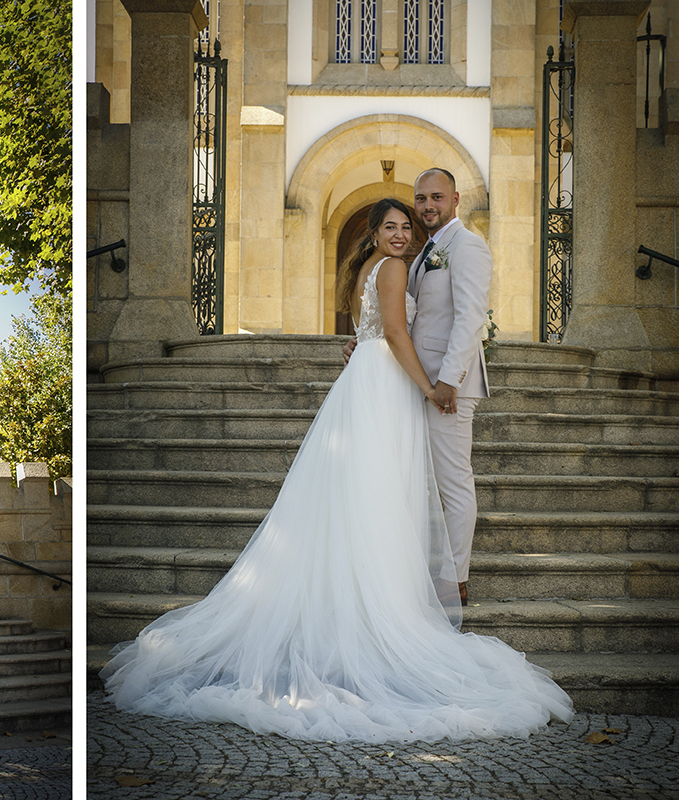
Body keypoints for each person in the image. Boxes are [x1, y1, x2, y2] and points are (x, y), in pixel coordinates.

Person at [100, 199, 572, 743]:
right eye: (390, 226)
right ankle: (377, 614)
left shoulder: (365, 270)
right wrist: (428, 386)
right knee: (379, 493)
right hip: (388, 382)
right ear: (374, 233)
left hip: (365, 380)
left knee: (360, 493)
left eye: (406, 227)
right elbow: (396, 335)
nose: (400, 234)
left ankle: (357, 602)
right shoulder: (394, 268)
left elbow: (376, 331)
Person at [344, 168, 491, 606]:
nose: (428, 207)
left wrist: (447, 381)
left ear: (455, 199)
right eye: (421, 199)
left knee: (452, 481)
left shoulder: (467, 246)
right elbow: (402, 317)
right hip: (412, 382)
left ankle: (454, 581)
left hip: (445, 387)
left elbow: (469, 318)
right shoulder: (424, 250)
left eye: (437, 198)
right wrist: (364, 338)